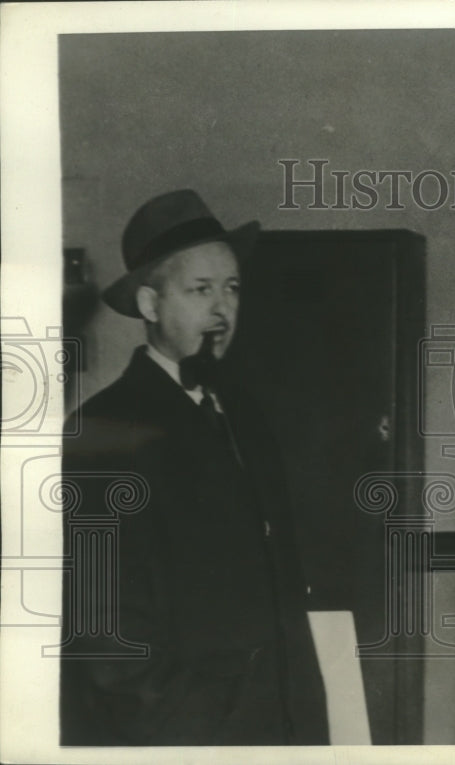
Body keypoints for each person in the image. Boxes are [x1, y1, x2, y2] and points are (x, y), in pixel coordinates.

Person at [59, 190, 329, 745]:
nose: (221, 309)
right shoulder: (105, 430)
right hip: (183, 737)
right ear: (152, 306)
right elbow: (108, 634)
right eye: (200, 289)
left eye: (231, 288)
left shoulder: (246, 416)